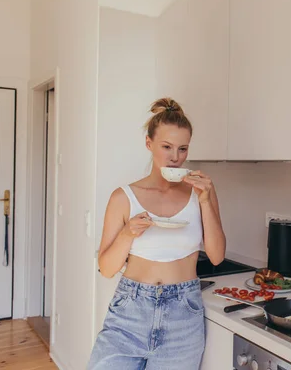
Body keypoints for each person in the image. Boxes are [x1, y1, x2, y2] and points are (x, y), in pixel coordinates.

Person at [87, 97, 226, 369]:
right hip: (130, 311)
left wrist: (206, 200)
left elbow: (217, 256)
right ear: (149, 144)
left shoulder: (201, 194)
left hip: (183, 315)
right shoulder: (123, 197)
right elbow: (106, 268)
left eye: (183, 149)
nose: (175, 157)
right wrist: (128, 233)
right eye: (167, 147)